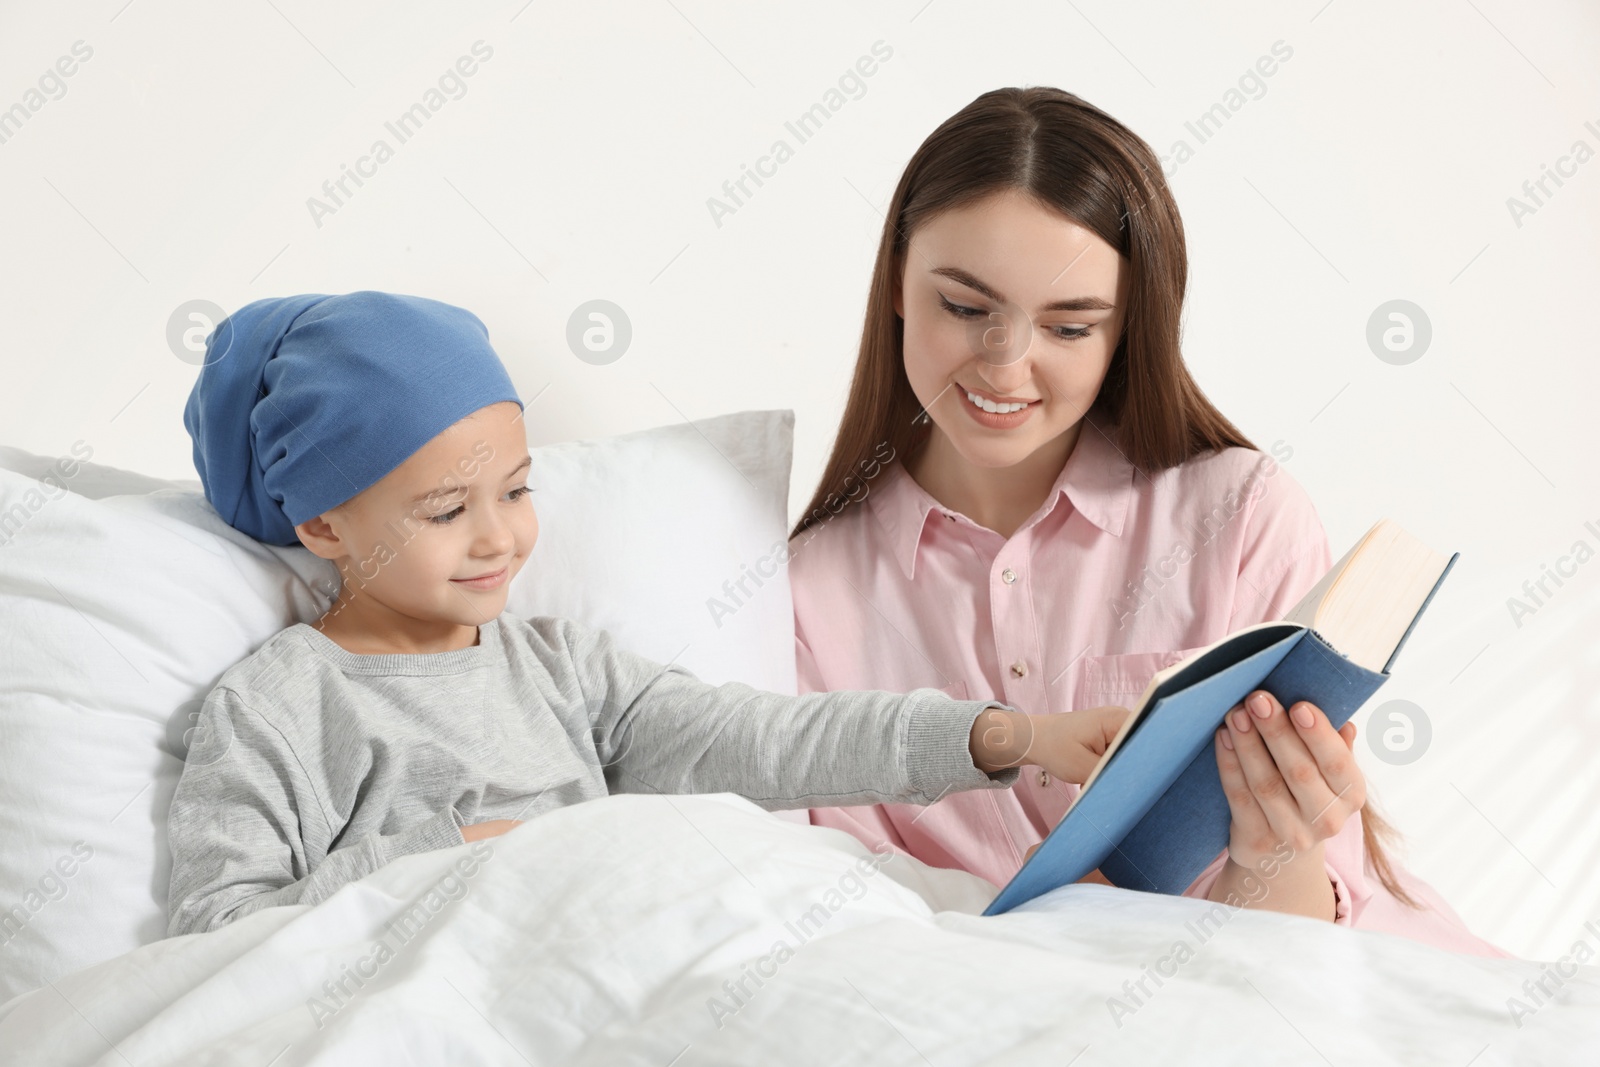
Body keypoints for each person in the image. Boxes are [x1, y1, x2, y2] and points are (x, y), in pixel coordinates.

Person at [787, 87, 1510, 956]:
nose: (1006, 365)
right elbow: (848, 926)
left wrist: (1275, 844)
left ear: (1125, 332)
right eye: (967, 308)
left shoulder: (1241, 515)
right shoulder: (806, 599)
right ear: (898, 282)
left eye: (1068, 325)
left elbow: (1304, 945)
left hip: (1333, 983)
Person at [164, 290, 1129, 938]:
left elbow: (765, 740)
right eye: (449, 511)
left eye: (517, 489)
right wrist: (451, 858)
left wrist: (1006, 735)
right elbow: (215, 933)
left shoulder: (563, 673)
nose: (499, 539)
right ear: (324, 522)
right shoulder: (276, 706)